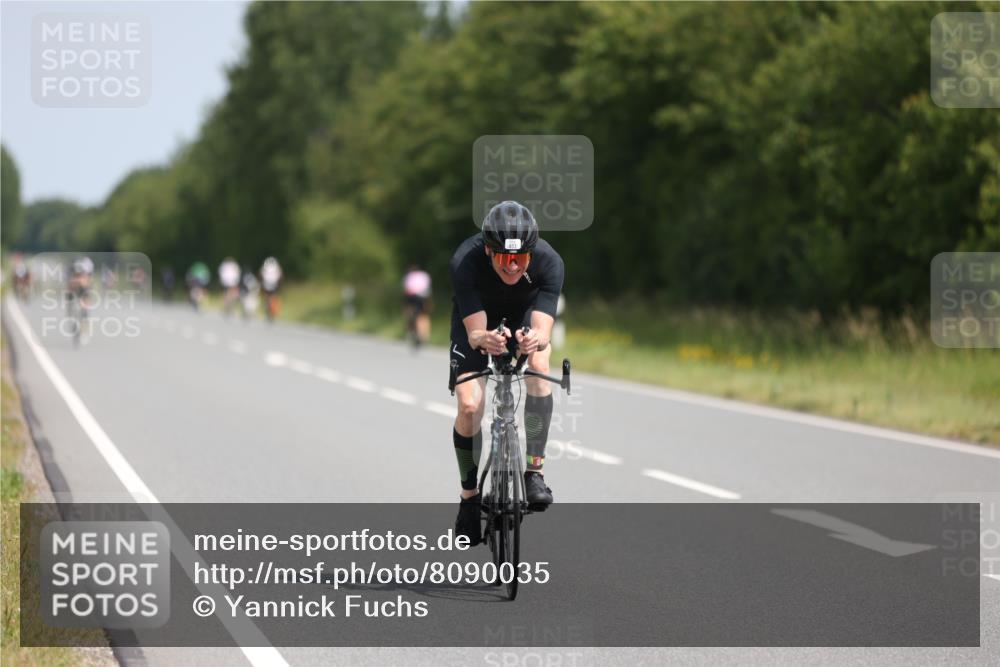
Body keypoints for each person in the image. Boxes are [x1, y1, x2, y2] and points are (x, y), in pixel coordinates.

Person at [450, 201, 564, 545]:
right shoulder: (465, 262)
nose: (513, 267)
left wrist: (535, 340)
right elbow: (474, 333)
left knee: (540, 367)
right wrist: (484, 339)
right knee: (469, 406)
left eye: (521, 259)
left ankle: (534, 471)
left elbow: (543, 330)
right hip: (477, 320)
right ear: (488, 251)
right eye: (503, 259)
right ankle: (469, 499)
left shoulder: (550, 262)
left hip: (523, 315)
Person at [402, 264, 432, 349]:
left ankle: (413, 333)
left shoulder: (409, 276)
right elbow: (428, 290)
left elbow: (407, 290)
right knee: (423, 316)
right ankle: (424, 336)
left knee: (411, 315)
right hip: (423, 298)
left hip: (412, 298)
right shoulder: (424, 275)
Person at [260, 256, 283, 322]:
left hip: (266, 284)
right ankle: (272, 311)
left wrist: (261, 283)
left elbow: (261, 274)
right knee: (273, 298)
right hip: (274, 284)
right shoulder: (276, 267)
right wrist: (280, 284)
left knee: (267, 298)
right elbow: (280, 275)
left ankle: (268, 309)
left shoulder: (265, 266)